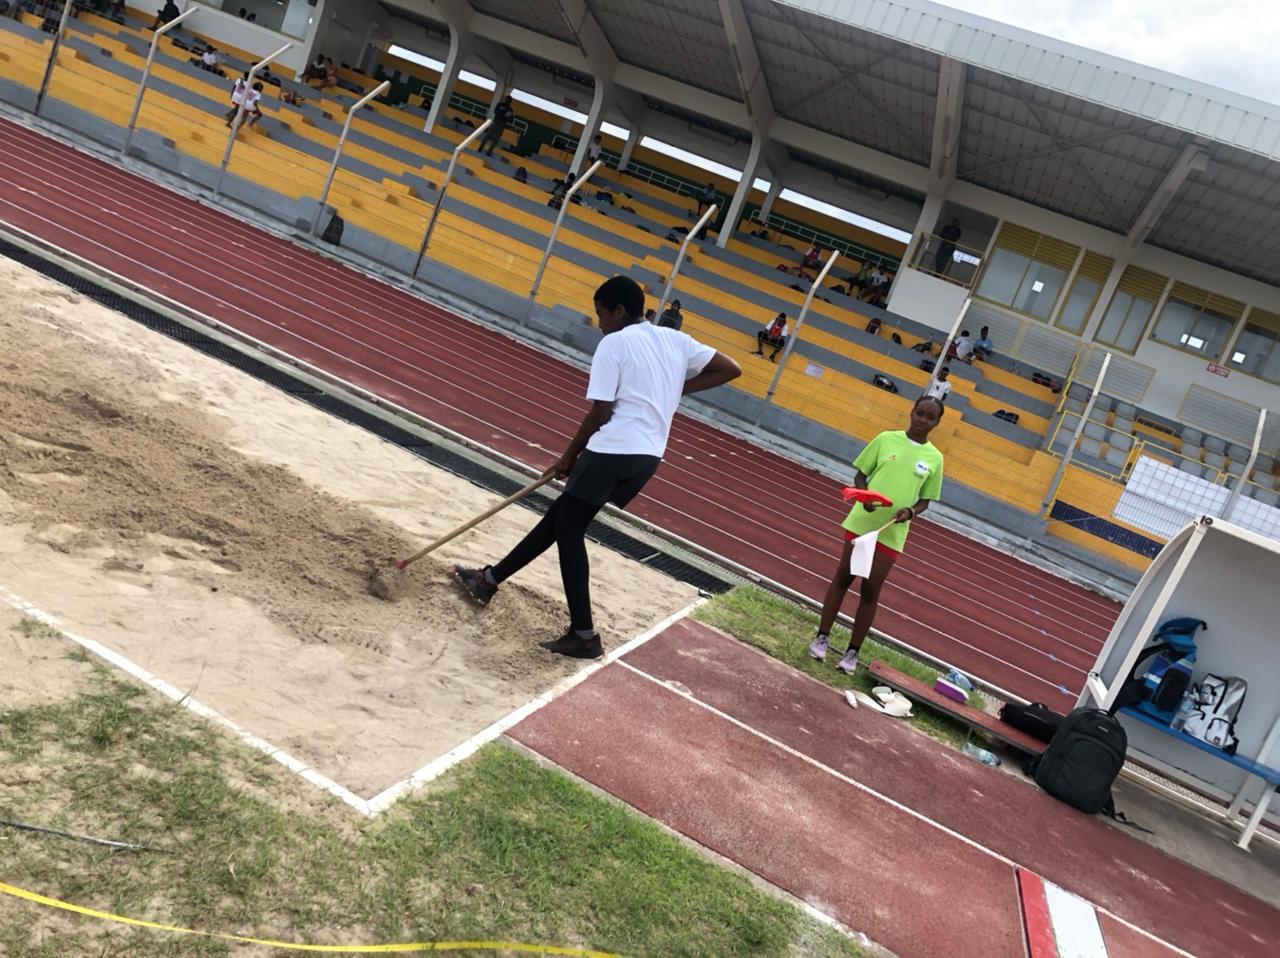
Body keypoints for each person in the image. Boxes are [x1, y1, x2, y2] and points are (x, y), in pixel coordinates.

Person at [453, 276, 741, 658]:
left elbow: (601, 411)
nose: (600, 324)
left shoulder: (614, 344)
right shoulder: (675, 340)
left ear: (618, 311)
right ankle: (488, 580)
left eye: (601, 314)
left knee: (569, 530)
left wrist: (568, 456)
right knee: (560, 518)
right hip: (646, 458)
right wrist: (674, 390)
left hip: (613, 449)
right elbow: (730, 368)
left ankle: (584, 634)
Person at [809, 397, 946, 674]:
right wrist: (865, 498)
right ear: (911, 412)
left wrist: (911, 512)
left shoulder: (935, 458)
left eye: (930, 417)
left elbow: (926, 500)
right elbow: (861, 475)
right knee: (844, 578)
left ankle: (852, 652)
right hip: (863, 522)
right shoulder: (886, 439)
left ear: (937, 423)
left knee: (870, 590)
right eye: (919, 413)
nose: (922, 420)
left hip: (892, 531)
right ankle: (822, 637)